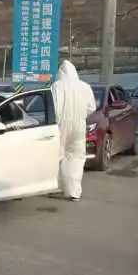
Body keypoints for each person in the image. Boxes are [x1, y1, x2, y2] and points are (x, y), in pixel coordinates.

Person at [51, 60, 96, 201]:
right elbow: (92, 108)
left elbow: (53, 107)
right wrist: (81, 116)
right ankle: (73, 192)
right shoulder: (85, 87)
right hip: (79, 126)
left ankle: (57, 187)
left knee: (57, 156)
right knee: (76, 157)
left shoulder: (56, 86)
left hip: (60, 124)